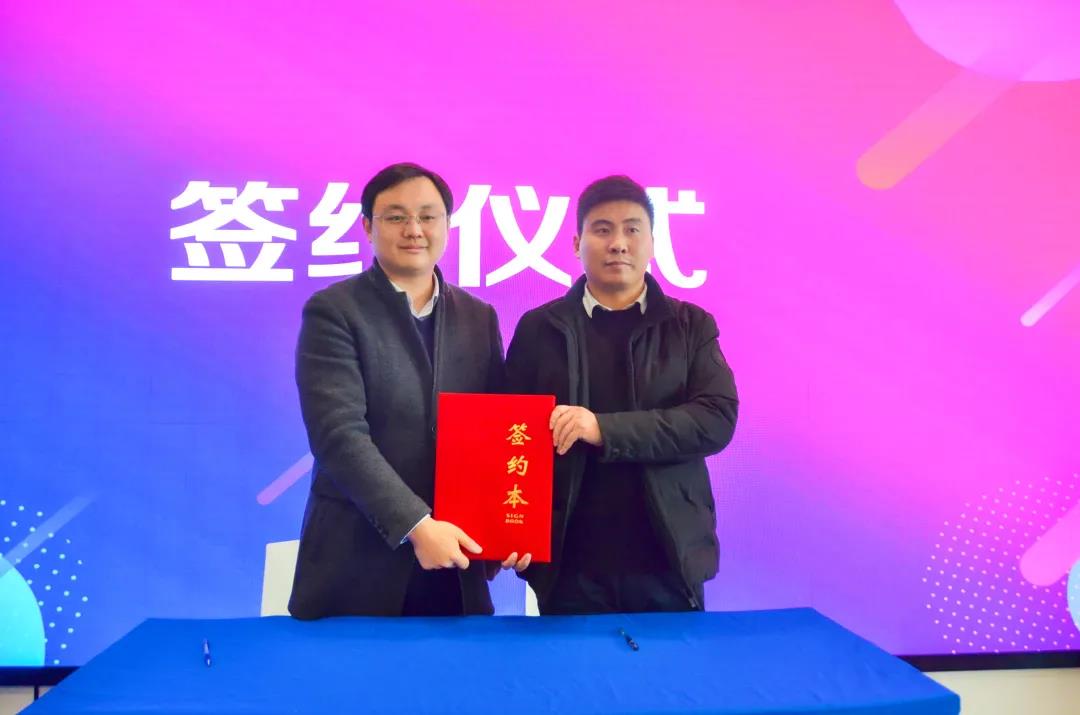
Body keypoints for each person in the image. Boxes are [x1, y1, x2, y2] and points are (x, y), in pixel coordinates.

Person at [288, 162, 524, 619]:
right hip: (356, 563)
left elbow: (495, 432)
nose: (414, 230)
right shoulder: (334, 311)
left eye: (427, 216)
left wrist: (507, 529)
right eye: (396, 217)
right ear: (367, 227)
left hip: (456, 564)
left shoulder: (479, 317)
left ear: (447, 225)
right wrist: (417, 525)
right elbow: (338, 435)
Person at [505, 175, 739, 614]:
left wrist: (603, 429)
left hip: (666, 559)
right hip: (569, 564)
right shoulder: (540, 328)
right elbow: (508, 434)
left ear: (651, 242)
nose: (618, 243)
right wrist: (508, 529)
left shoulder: (690, 326)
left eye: (632, 229)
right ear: (577, 243)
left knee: (668, 662)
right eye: (602, 229)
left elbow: (715, 420)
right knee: (569, 662)